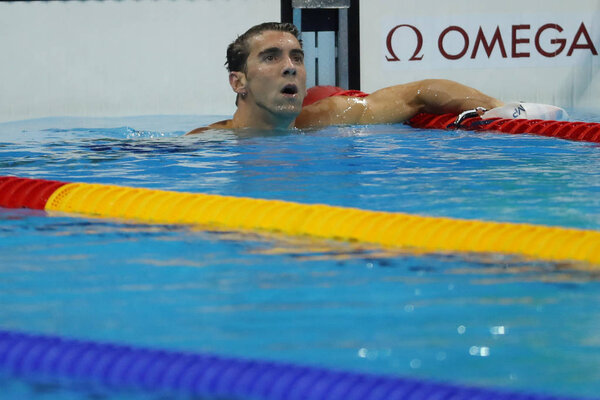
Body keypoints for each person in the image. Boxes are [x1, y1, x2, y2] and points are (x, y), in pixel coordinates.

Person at [186, 22, 505, 135]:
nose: (290, 67)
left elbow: (417, 94)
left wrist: (500, 108)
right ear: (237, 83)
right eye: (271, 57)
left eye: (297, 57)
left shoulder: (328, 118)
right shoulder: (210, 144)